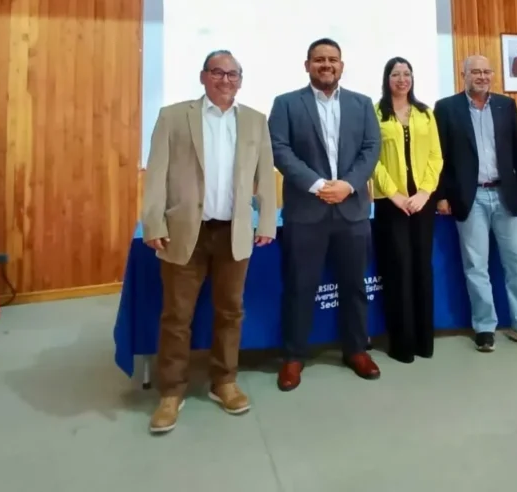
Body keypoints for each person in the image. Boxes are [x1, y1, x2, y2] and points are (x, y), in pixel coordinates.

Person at [141, 50, 278, 434]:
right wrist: (153, 221)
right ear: (203, 77)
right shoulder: (173, 116)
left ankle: (224, 381)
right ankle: (171, 392)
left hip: (233, 231)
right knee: (176, 316)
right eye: (217, 72)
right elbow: (156, 173)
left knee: (230, 312)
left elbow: (264, 175)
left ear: (240, 79)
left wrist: (266, 217)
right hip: (186, 230)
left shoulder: (254, 121)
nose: (225, 80)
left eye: (233, 74)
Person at [268, 38, 382, 391]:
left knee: (354, 286)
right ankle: (293, 356)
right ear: (307, 65)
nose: (326, 65)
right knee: (300, 287)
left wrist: (347, 185)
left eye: (333, 59)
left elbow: (371, 148)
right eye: (319, 60)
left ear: (342, 66)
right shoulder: (286, 104)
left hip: (352, 210)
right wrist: (318, 185)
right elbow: (279, 149)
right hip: (306, 211)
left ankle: (356, 349)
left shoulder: (362, 104)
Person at [433, 54, 517, 353]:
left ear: (493, 75)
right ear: (464, 74)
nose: (482, 76)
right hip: (468, 196)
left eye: (486, 71)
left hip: (505, 194)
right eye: (475, 71)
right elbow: (440, 157)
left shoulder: (505, 105)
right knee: (476, 265)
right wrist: (442, 195)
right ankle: (484, 327)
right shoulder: (446, 108)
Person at [371, 57, 442, 363]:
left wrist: (425, 192)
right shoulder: (375, 113)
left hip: (422, 203)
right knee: (398, 269)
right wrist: (395, 195)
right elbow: (372, 159)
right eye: (396, 74)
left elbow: (435, 157)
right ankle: (402, 344)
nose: (402, 79)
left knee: (421, 269)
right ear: (387, 79)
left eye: (407, 74)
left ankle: (424, 342)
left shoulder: (426, 113)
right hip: (391, 205)